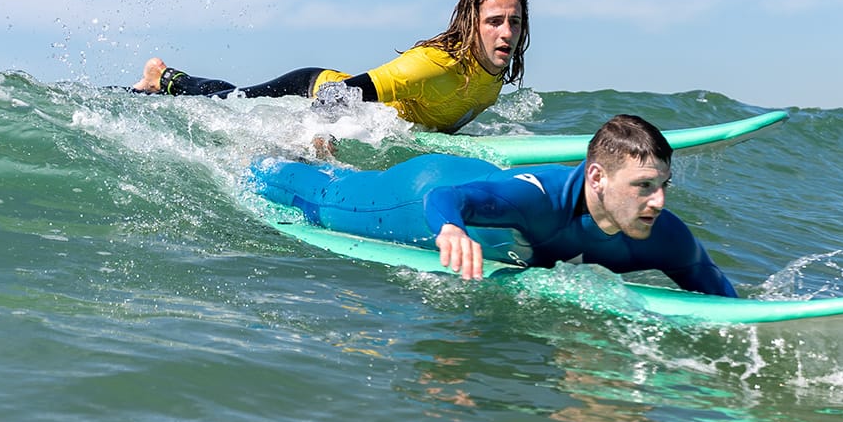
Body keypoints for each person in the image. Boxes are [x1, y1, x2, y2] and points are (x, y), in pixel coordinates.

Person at [253, 114, 737, 297]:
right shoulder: (538, 198)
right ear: (596, 176)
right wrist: (451, 230)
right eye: (644, 185)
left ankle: (319, 150)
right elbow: (447, 199)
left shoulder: (662, 234)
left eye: (664, 185)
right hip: (419, 192)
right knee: (320, 193)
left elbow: (714, 288)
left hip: (478, 194)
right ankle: (276, 154)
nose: (659, 201)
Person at [130, 0, 529, 134]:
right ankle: (163, 78)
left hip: (339, 95)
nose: (506, 32)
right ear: (471, 24)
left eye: (514, 22)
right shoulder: (435, 66)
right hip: (311, 88)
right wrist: (314, 134)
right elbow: (341, 94)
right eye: (494, 21)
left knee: (232, 97)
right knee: (227, 103)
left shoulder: (493, 66)